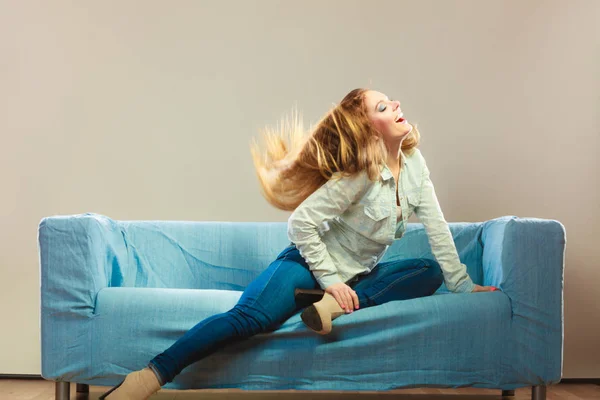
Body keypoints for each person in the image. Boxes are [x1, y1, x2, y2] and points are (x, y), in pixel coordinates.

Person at [100, 88, 497, 400]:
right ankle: (147, 378)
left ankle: (329, 309)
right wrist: (329, 280)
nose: (395, 105)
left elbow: (437, 228)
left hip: (356, 280)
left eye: (390, 101)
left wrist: (464, 286)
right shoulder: (359, 174)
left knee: (425, 270)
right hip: (307, 264)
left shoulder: (415, 165)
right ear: (368, 128)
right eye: (381, 107)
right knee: (248, 320)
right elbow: (301, 224)